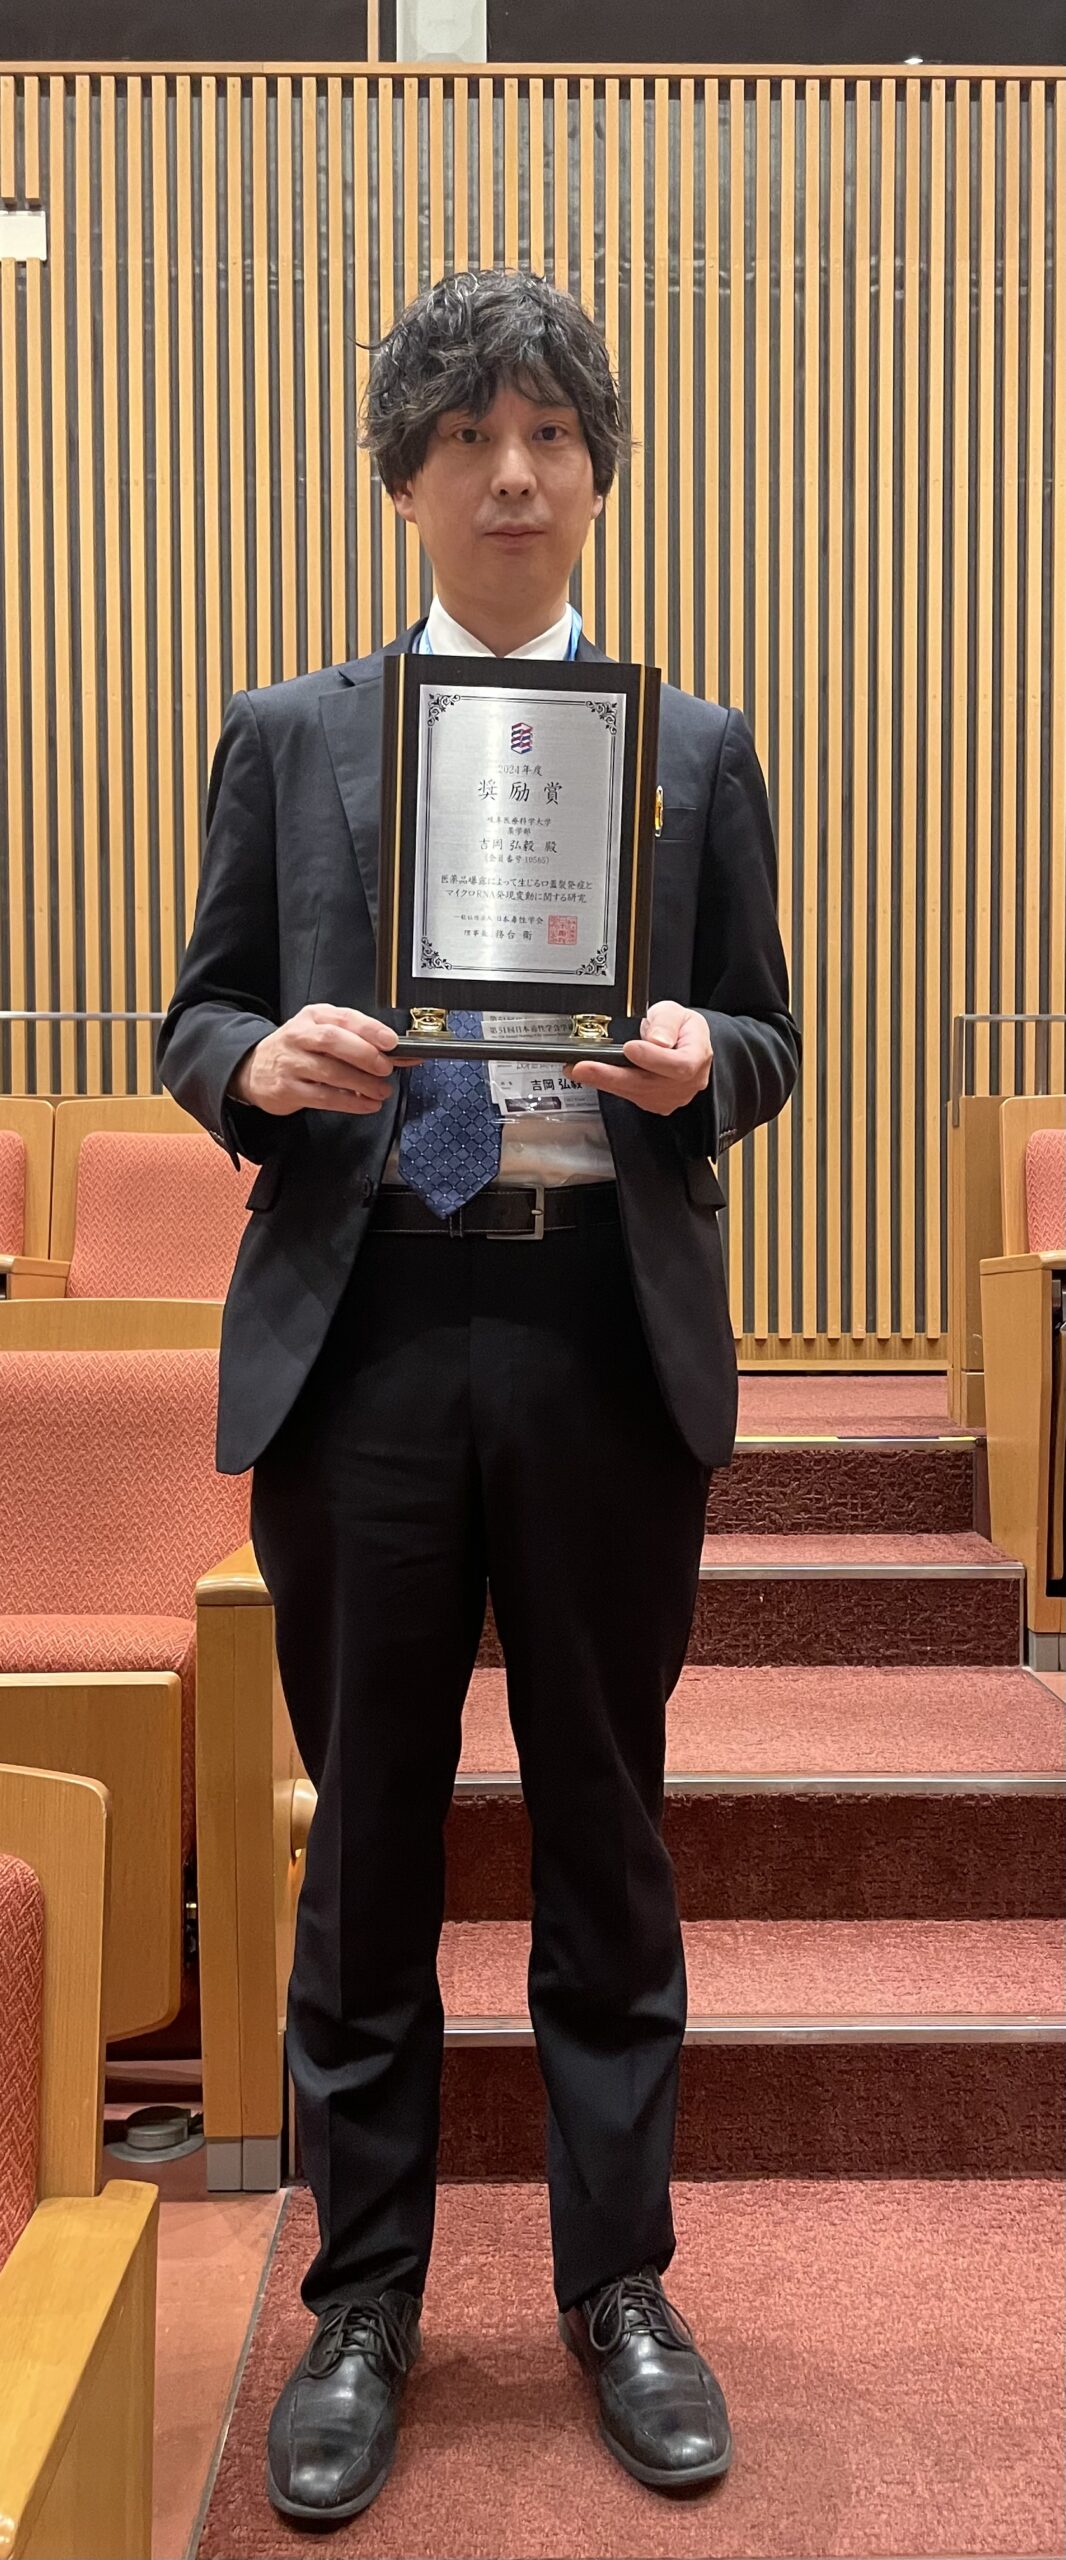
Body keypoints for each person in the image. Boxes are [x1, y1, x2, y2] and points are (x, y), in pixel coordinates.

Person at [158, 268, 800, 2527]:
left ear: (596, 475)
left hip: (598, 1340)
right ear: (406, 477)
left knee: (606, 1832)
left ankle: (618, 2286)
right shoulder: (292, 732)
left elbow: (765, 1027)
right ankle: (360, 2299)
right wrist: (259, 1062)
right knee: (369, 1847)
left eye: (548, 438)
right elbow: (196, 1012)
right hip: (371, 1337)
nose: (511, 475)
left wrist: (709, 1058)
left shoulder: (690, 746)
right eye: (467, 439)